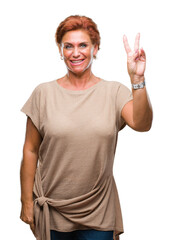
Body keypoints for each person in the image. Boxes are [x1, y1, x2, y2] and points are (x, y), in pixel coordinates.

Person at [19, 15, 153, 240]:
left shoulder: (114, 92)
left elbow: (142, 124)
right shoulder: (43, 93)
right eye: (68, 46)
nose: (76, 52)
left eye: (83, 45)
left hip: (98, 211)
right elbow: (30, 150)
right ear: (60, 50)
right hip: (53, 209)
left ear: (95, 48)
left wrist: (137, 79)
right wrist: (26, 202)